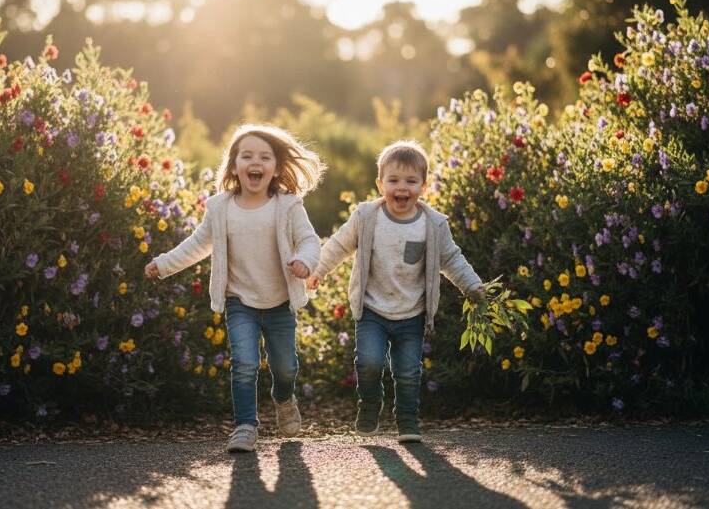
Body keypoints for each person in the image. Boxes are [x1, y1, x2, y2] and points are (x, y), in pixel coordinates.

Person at [145, 124, 325, 452]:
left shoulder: (287, 205)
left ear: (276, 168)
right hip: (240, 301)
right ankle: (245, 426)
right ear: (234, 165)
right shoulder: (220, 207)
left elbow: (310, 240)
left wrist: (304, 261)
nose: (255, 162)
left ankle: (284, 398)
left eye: (264, 157)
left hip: (279, 301)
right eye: (247, 156)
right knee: (244, 362)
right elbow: (198, 244)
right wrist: (165, 264)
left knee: (285, 366)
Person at [307, 140, 484, 443]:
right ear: (380, 184)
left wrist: (472, 285)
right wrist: (318, 270)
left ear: (423, 186)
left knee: (408, 371)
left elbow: (451, 258)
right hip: (372, 309)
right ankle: (370, 405)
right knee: (369, 362)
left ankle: (407, 420)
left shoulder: (433, 225)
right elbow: (338, 245)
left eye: (411, 181)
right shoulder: (366, 218)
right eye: (394, 180)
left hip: (411, 312)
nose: (402, 188)